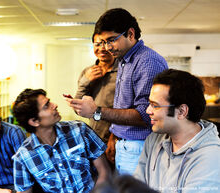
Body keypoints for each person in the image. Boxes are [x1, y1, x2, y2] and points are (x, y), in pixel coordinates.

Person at [66, 8, 168, 175]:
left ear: (130, 33)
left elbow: (145, 115)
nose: (106, 47)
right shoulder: (124, 60)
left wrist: (96, 111)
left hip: (140, 145)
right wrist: (115, 134)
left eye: (111, 40)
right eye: (102, 42)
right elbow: (124, 105)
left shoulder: (147, 61)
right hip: (124, 144)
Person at [134, 69, 220, 192]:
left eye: (155, 105)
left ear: (181, 111)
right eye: (149, 104)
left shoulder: (210, 158)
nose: (148, 110)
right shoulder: (153, 140)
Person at [12, 88, 110, 193]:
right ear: (34, 121)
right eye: (47, 105)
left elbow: (105, 172)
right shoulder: (23, 157)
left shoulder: (80, 129)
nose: (55, 105)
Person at [75, 32, 118, 143]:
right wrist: (87, 80)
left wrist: (115, 137)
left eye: (106, 44)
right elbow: (77, 107)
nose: (102, 49)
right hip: (93, 134)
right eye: (97, 44)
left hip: (116, 136)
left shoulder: (123, 72)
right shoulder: (87, 72)